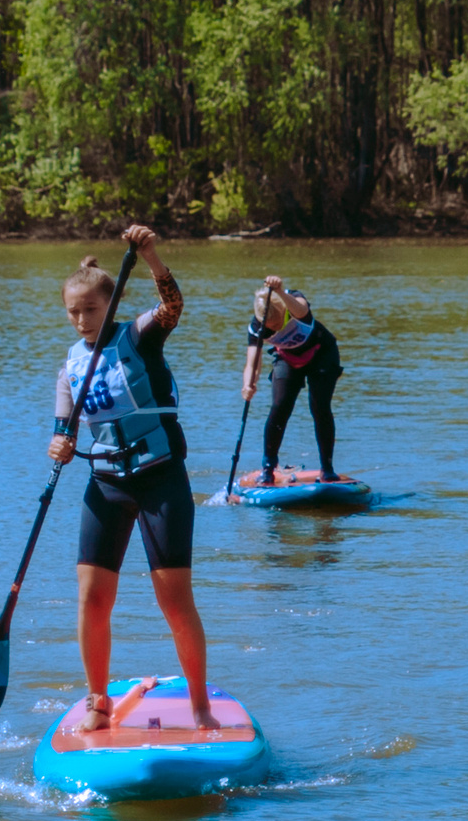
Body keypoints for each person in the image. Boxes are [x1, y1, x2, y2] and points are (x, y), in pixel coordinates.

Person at [48, 225, 218, 733]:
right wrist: (60, 445)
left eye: (91, 310)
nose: (82, 321)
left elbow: (173, 306)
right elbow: (64, 433)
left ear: (111, 304)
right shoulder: (69, 369)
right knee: (92, 597)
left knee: (173, 600)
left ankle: (199, 705)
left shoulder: (138, 337)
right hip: (105, 487)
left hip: (159, 478)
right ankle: (97, 701)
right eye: (73, 312)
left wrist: (151, 257)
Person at [242, 273, 344, 486]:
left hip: (322, 353)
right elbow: (253, 362)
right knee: (279, 407)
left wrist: (279, 291)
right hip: (288, 358)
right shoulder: (257, 327)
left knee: (320, 407)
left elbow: (303, 310)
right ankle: (268, 469)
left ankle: (328, 469)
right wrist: (248, 384)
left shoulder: (293, 303)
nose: (275, 328)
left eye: (278, 323)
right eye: (271, 326)